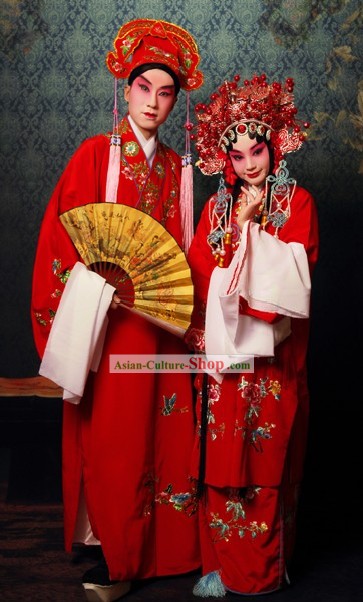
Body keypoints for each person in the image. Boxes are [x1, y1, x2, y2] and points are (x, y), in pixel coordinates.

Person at [31, 19, 203, 602]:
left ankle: (166, 548)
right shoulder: (94, 156)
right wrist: (96, 291)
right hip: (108, 326)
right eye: (143, 88)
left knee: (164, 433)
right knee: (115, 438)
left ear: (175, 102)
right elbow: (61, 241)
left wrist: (186, 315)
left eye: (165, 93)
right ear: (125, 91)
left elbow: (182, 259)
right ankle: (114, 546)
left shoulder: (179, 170)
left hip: (158, 327)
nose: (153, 102)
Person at [186, 73, 319, 596]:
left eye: (256, 151)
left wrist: (248, 233)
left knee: (266, 455)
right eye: (236, 156)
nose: (248, 165)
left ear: (274, 146)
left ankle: (263, 569)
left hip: (273, 360)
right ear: (225, 161)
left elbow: (296, 277)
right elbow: (201, 274)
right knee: (220, 457)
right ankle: (219, 564)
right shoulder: (214, 208)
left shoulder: (297, 204)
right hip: (225, 360)